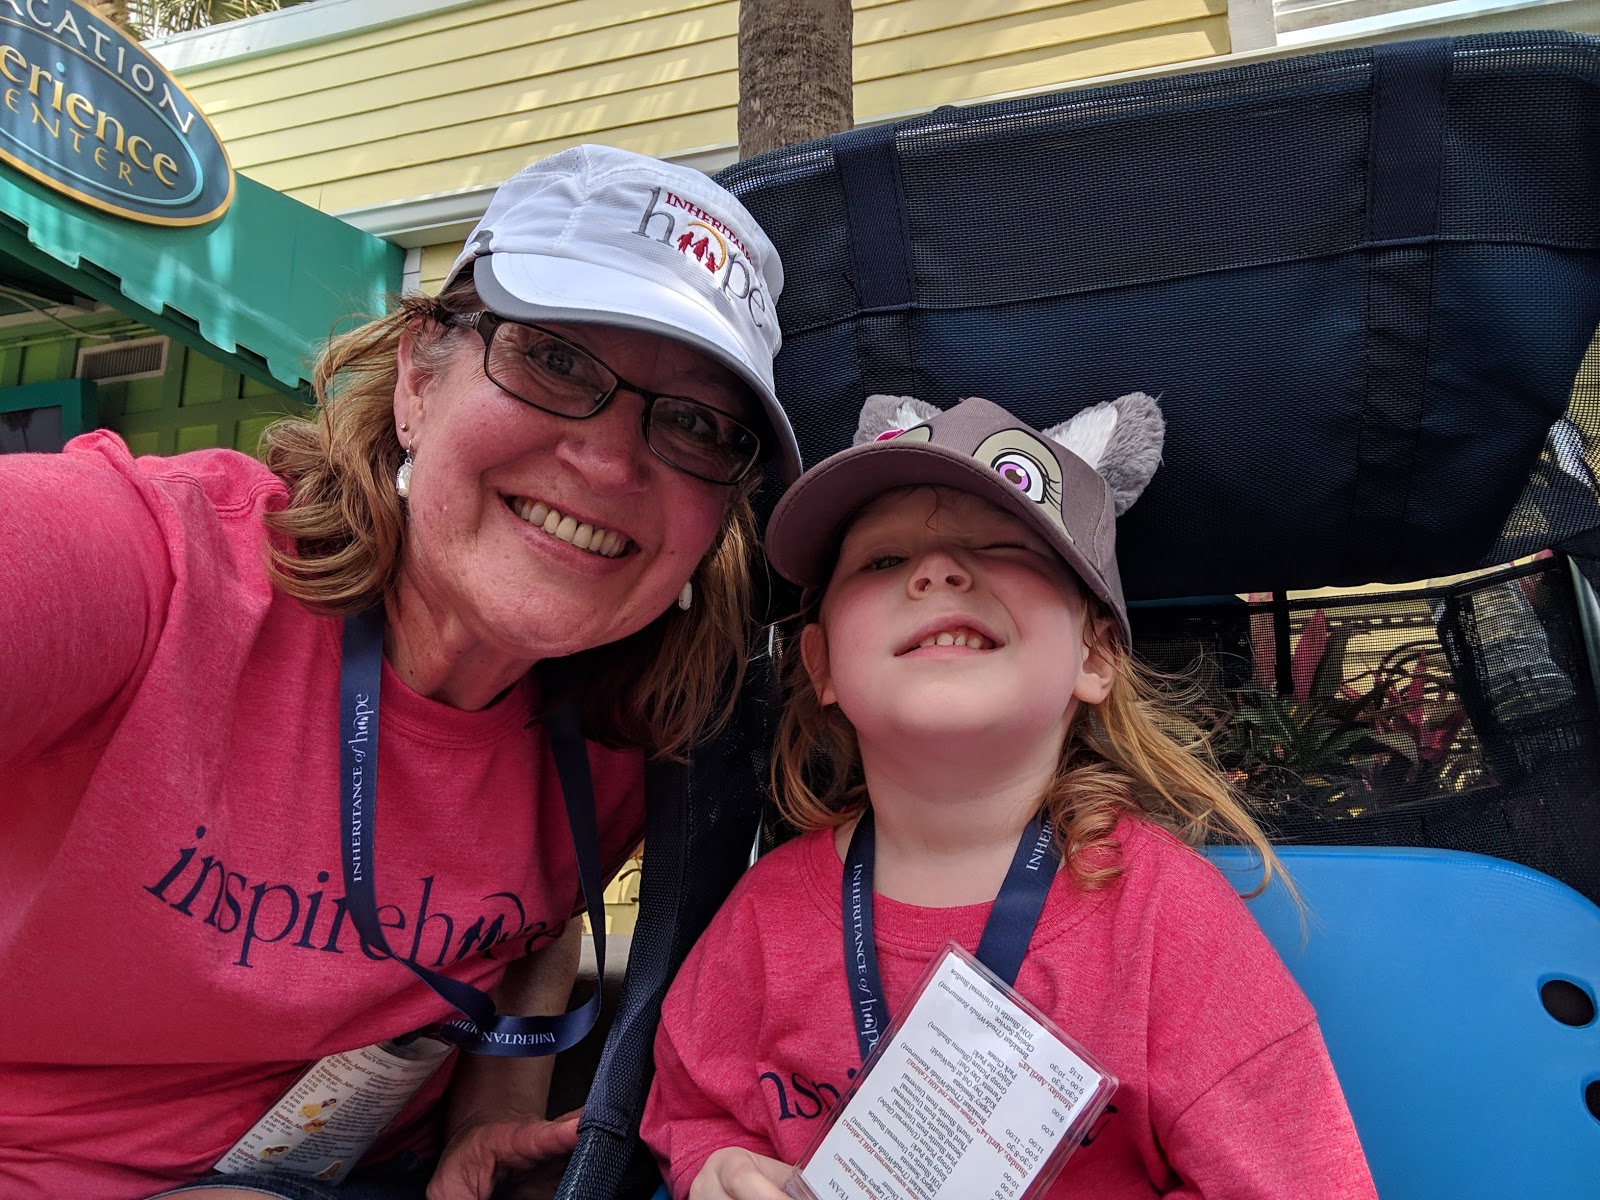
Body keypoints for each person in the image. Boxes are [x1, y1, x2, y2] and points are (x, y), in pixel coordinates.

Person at [0, 144, 800, 1200]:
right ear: (420, 376)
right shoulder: (139, 562)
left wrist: (494, 1112)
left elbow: (529, 920)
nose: (609, 464)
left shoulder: (632, 729)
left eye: (697, 424)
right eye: (557, 361)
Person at [641, 393, 1377, 1198]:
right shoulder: (763, 915)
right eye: (882, 562)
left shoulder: (1165, 919)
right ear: (819, 666)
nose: (938, 569)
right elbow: (693, 1114)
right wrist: (716, 1170)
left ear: (1095, 655)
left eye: (1000, 546)